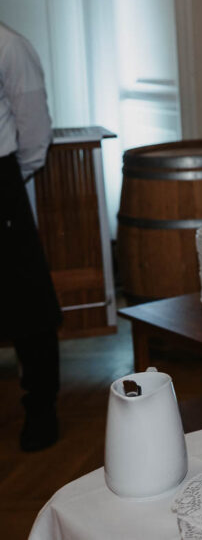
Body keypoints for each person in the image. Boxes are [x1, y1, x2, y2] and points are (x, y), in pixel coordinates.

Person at [0, 22, 62, 452]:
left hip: (2, 178)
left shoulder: (8, 46)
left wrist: (10, 182)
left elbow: (35, 130)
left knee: (28, 303)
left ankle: (41, 410)